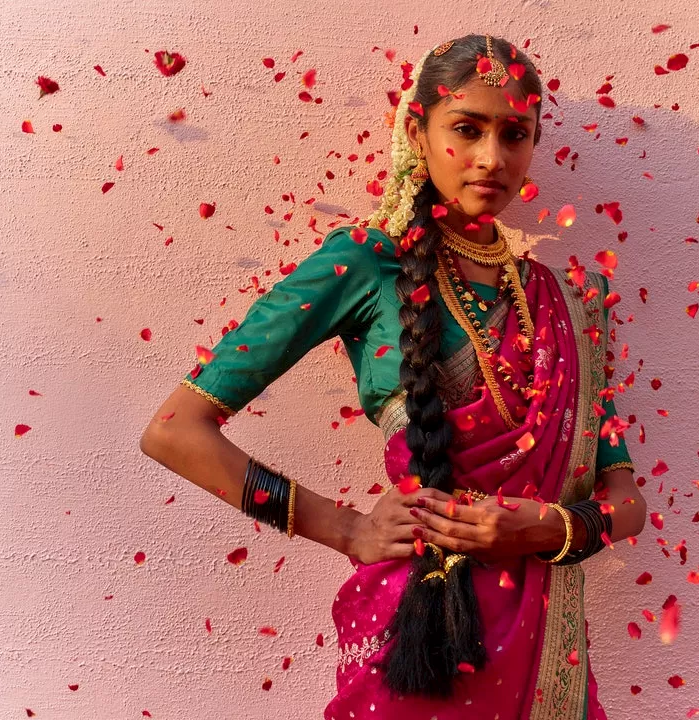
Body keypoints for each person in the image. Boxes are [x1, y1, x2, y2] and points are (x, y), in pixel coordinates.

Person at [140, 33, 646, 720]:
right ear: (417, 131)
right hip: (420, 642)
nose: (491, 158)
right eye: (466, 129)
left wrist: (544, 529)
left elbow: (626, 499)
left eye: (514, 134)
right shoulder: (366, 265)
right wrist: (346, 530)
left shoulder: (565, 305)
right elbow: (175, 431)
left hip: (545, 659)